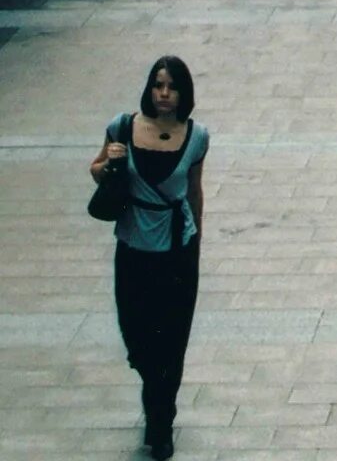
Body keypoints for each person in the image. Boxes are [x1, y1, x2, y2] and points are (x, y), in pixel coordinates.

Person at [89, 56, 209, 461]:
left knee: (171, 342)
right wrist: (109, 164)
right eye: (158, 85)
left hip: (177, 252)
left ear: (183, 93)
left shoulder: (196, 137)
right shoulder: (121, 127)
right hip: (134, 250)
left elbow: (194, 191)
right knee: (137, 337)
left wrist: (198, 243)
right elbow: (96, 167)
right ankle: (155, 391)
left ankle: (160, 423)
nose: (163, 94)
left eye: (172, 87)